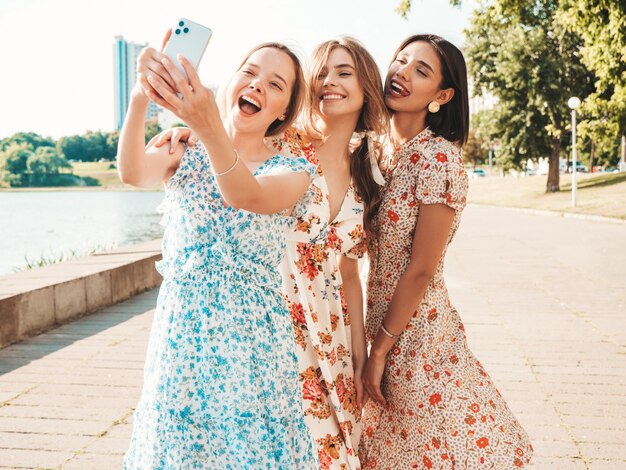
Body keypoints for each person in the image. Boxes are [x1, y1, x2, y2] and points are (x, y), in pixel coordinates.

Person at [152, 36, 389, 470]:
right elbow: (232, 161)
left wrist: (359, 356)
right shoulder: (285, 146)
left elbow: (350, 275)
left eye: (344, 73)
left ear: (366, 88)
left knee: (338, 450)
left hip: (330, 328)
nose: (329, 82)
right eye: (322, 73)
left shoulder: (368, 171)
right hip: (273, 315)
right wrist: (193, 135)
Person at [118, 39, 318, 468]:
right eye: (250, 72)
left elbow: (243, 193)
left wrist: (209, 130)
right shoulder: (181, 148)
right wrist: (140, 99)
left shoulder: (294, 171)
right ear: (230, 82)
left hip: (253, 343)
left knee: (250, 452)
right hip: (182, 333)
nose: (258, 85)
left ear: (283, 110)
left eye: (275, 84)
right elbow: (133, 172)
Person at [359, 34, 533, 469]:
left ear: (442, 95)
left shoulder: (438, 159)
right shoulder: (376, 149)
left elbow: (421, 269)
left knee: (433, 449)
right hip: (374, 318)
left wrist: (380, 350)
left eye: (421, 70)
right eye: (400, 60)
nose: (401, 72)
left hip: (417, 333)